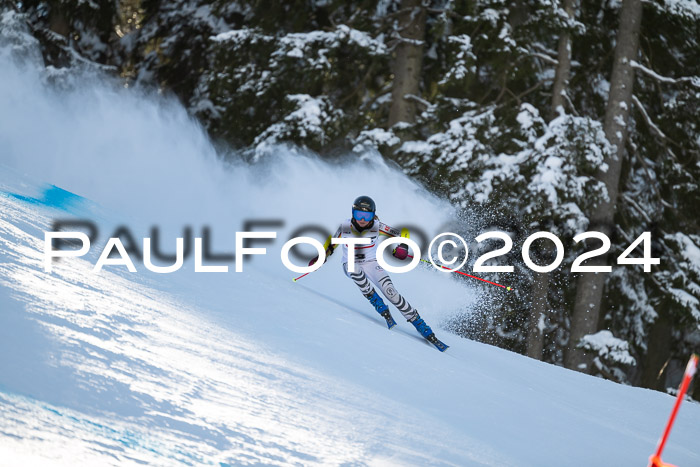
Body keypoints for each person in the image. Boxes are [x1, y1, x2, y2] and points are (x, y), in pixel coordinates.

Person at [310, 195, 446, 349]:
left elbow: (404, 233)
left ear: (373, 215)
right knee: (353, 269)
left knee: (391, 292)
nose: (362, 219)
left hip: (371, 263)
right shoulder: (344, 227)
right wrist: (320, 257)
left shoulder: (378, 226)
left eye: (366, 215)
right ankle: (377, 303)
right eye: (358, 214)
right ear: (352, 213)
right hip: (350, 263)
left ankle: (421, 326)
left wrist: (402, 247)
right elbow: (330, 244)